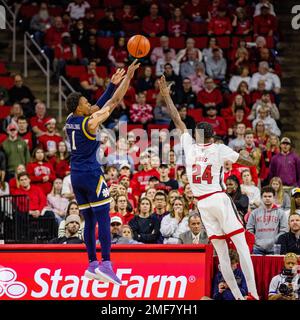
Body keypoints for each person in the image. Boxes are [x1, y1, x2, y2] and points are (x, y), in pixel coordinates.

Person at [158, 75, 259, 300]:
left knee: (222, 254)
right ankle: (253, 294)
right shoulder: (219, 148)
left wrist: (166, 97)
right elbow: (247, 162)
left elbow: (177, 120)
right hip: (218, 198)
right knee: (241, 246)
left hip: (202, 204)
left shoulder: (189, 147)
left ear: (196, 135)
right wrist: (253, 158)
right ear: (212, 135)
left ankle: (239, 297)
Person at [65, 60, 140, 284]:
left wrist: (110, 84)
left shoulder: (71, 119)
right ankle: (106, 264)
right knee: (104, 219)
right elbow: (114, 101)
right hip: (90, 174)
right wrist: (128, 78)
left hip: (75, 175)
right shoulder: (91, 123)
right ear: (80, 108)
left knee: (88, 220)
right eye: (86, 102)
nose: (90, 103)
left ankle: (91, 264)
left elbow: (97, 105)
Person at [246, 186, 288, 255]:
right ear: (261, 198)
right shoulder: (254, 213)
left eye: (269, 196)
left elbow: (284, 230)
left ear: (274, 198)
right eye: (265, 196)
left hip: (274, 248)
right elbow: (249, 230)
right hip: (257, 248)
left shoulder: (281, 213)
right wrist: (256, 241)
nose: (267, 198)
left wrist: (273, 241)